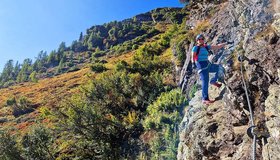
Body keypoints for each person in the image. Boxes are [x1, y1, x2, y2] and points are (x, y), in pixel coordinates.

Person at [191, 34, 227, 105]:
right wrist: (193, 64)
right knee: (205, 82)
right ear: (197, 41)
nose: (200, 40)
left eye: (202, 39)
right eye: (199, 39)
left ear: (203, 40)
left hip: (208, 64)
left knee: (219, 68)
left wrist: (226, 43)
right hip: (201, 66)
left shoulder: (206, 47)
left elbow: (217, 47)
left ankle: (213, 81)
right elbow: (193, 56)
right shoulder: (195, 48)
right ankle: (205, 99)